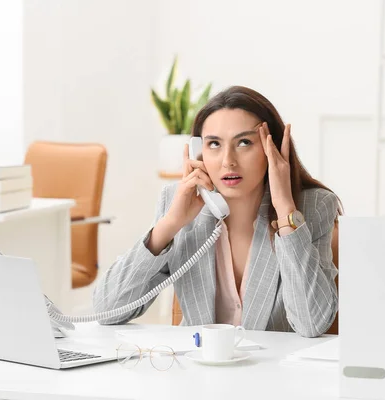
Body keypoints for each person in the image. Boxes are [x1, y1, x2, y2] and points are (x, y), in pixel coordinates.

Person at [92, 86, 342, 338]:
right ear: (197, 151)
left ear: (272, 149)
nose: (227, 161)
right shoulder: (176, 202)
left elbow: (312, 324)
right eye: (214, 144)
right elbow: (107, 310)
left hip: (274, 373)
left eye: (244, 142)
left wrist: (285, 209)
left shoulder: (312, 207)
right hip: (197, 372)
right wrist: (169, 225)